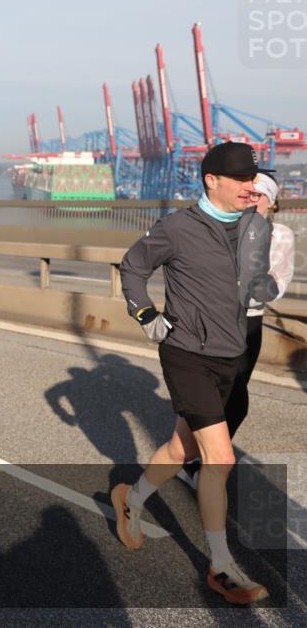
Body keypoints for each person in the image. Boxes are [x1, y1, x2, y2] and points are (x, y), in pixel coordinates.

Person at [113, 142, 279, 604]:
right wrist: (145, 314)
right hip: (187, 354)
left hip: (231, 355)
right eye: (241, 179)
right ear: (212, 180)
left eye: (253, 179)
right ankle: (222, 568)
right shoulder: (177, 228)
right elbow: (132, 267)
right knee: (219, 458)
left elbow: (253, 282)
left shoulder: (253, 228)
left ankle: (131, 499)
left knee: (181, 446)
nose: (250, 186)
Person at [177, 173, 296, 489]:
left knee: (232, 398)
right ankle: (200, 460)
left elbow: (280, 279)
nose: (252, 200)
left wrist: (258, 285)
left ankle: (198, 458)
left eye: (259, 195)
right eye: (248, 193)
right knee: (224, 397)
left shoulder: (280, 235)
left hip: (250, 323)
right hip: (215, 320)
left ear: (272, 202)